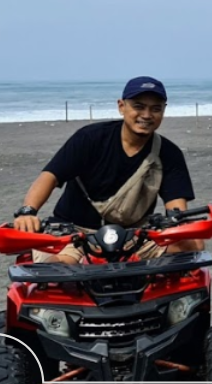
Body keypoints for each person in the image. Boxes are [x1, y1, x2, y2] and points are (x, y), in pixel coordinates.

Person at [12, 76, 202, 264]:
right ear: (121, 106)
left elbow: (176, 208)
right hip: (76, 233)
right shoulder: (90, 138)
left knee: (192, 245)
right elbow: (50, 176)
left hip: (133, 236)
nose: (146, 115)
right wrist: (27, 212)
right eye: (138, 106)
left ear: (163, 111)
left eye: (155, 108)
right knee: (58, 268)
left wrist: (179, 226)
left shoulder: (169, 153)